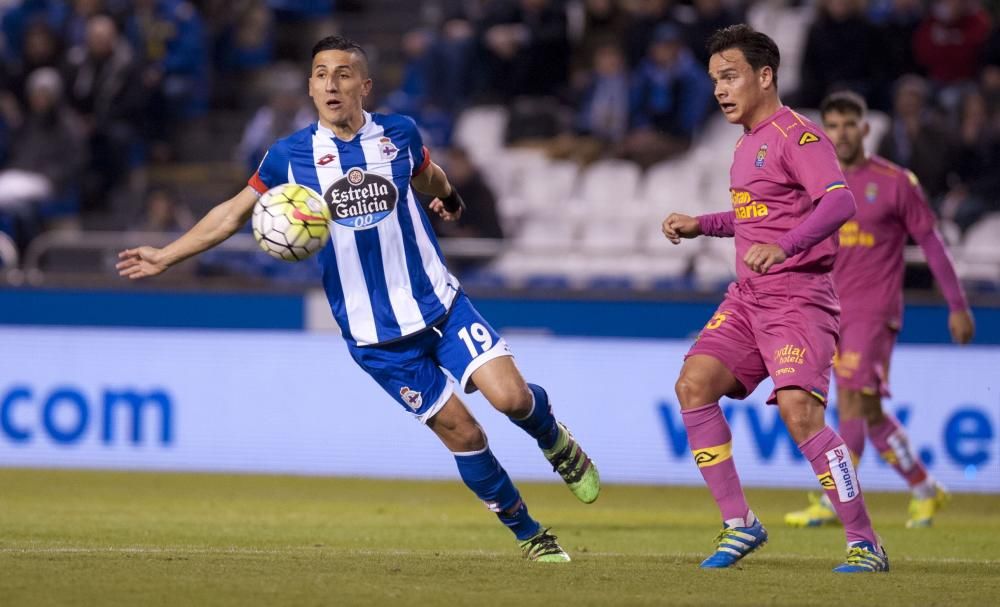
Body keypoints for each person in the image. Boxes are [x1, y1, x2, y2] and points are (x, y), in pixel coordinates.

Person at [116, 35, 600, 562]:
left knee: (512, 399)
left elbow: (429, 175)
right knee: (463, 431)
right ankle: (530, 534)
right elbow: (233, 213)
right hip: (377, 339)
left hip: (439, 304)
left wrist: (449, 196)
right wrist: (167, 255)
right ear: (310, 86)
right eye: (321, 73)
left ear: (364, 86)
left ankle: (553, 439)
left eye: (344, 73)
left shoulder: (400, 134)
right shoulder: (289, 156)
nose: (331, 83)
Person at [661, 25, 888, 573]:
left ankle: (865, 543)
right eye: (716, 79)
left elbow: (838, 204)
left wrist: (784, 248)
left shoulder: (799, 136)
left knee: (799, 413)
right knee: (693, 385)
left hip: (798, 298)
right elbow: (751, 219)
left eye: (730, 76)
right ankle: (740, 524)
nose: (720, 89)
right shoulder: (743, 146)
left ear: (765, 77)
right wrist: (702, 225)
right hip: (748, 299)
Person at [785, 91, 974, 529]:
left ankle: (836, 499)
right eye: (833, 125)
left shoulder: (894, 182)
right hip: (831, 311)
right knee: (868, 411)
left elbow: (930, 242)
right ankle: (925, 490)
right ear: (824, 131)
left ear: (866, 129)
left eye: (850, 124)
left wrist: (957, 305)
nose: (842, 133)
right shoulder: (819, 184)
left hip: (875, 310)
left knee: (850, 399)